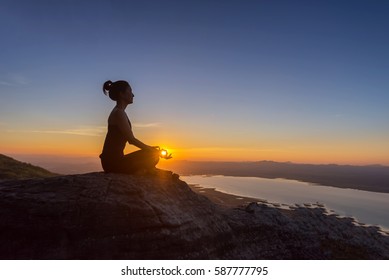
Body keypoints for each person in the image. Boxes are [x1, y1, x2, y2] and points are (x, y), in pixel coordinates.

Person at [99, 80, 164, 174]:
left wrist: (151, 148)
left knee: (152, 154)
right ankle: (142, 171)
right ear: (121, 94)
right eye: (130, 91)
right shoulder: (119, 113)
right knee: (152, 156)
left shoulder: (119, 112)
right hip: (113, 164)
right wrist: (151, 150)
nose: (133, 95)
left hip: (112, 162)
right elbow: (131, 140)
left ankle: (142, 170)